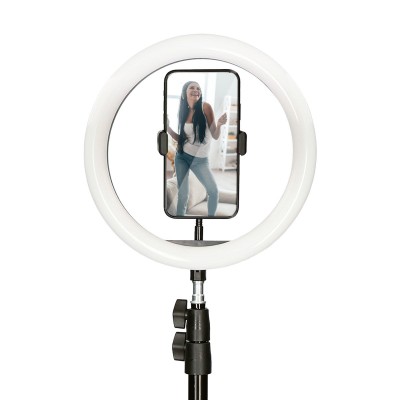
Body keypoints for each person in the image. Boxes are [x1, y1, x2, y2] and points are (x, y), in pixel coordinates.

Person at [167, 81, 227, 216]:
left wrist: (219, 125)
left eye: (198, 88)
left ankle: (211, 220)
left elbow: (215, 135)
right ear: (185, 93)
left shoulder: (206, 107)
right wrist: (168, 128)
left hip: (200, 160)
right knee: (183, 194)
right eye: (192, 88)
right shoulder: (182, 112)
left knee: (213, 191)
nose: (196, 90)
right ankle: (180, 220)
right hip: (182, 157)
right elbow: (182, 139)